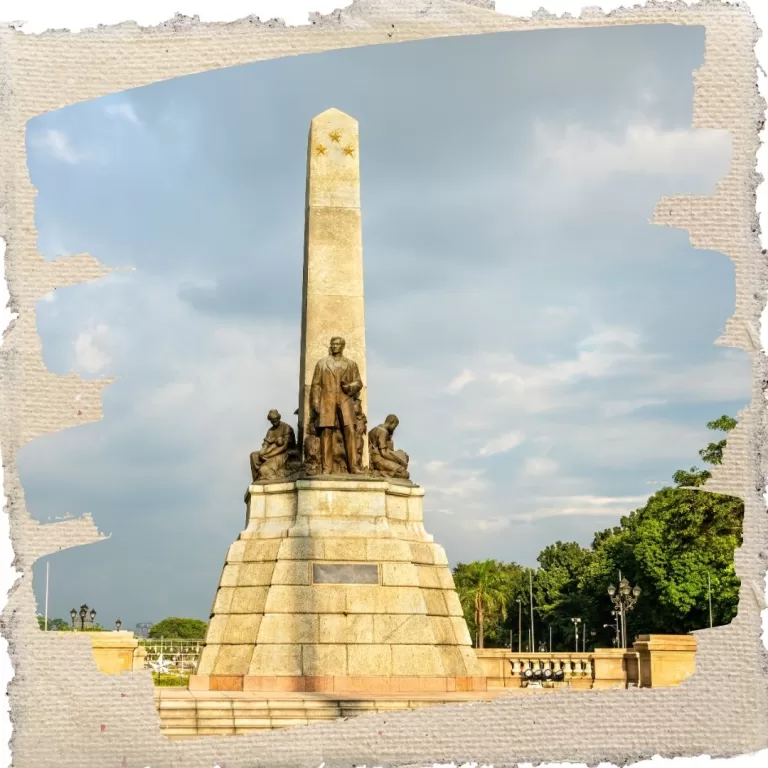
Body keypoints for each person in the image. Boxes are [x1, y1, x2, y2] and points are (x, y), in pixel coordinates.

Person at [309, 336, 363, 474]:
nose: (334, 346)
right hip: (327, 400)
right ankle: (327, 468)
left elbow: (358, 382)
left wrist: (349, 387)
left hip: (345, 400)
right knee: (326, 432)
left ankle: (354, 467)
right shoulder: (322, 364)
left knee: (350, 431)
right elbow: (315, 385)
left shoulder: (351, 364)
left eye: (337, 344)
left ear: (342, 346)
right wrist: (315, 402)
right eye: (332, 344)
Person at [249, 409, 298, 481]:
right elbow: (265, 444)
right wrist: (262, 453)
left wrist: (268, 455)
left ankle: (264, 474)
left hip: (284, 453)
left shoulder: (286, 427)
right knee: (253, 455)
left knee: (263, 469)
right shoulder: (270, 431)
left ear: (279, 418)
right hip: (271, 452)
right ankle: (257, 479)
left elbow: (284, 447)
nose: (274, 423)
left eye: (275, 420)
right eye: (272, 421)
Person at [369, 414, 409, 479]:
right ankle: (379, 474)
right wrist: (399, 461)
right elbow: (384, 453)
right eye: (395, 426)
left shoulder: (374, 429)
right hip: (378, 460)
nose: (394, 429)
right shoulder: (383, 432)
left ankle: (381, 473)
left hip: (373, 459)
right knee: (404, 473)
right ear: (390, 422)